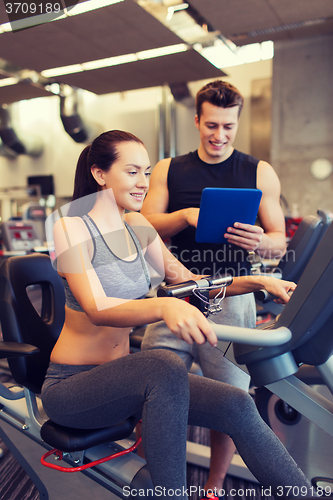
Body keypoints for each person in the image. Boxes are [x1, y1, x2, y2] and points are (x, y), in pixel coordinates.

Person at [41, 130, 311, 500]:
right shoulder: (70, 225)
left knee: (236, 402)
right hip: (72, 388)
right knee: (163, 364)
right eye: (132, 172)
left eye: (147, 172)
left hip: (125, 380)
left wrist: (255, 281)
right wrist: (164, 305)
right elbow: (97, 308)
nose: (143, 184)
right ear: (100, 174)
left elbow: (189, 282)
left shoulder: (137, 225)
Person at [140, 80, 287, 498]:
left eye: (228, 126)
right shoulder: (170, 168)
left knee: (230, 398)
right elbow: (146, 223)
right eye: (211, 125)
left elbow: (279, 238)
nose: (219, 135)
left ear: (237, 122)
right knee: (149, 384)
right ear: (197, 120)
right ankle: (156, 476)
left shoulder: (259, 171)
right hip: (177, 294)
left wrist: (260, 239)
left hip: (233, 299)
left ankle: (215, 484)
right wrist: (185, 215)